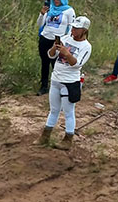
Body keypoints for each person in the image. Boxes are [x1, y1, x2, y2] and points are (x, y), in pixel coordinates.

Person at [34, 16, 92, 150]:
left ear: (84, 30)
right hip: (56, 78)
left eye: (77, 29)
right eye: (73, 27)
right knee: (53, 110)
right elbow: (51, 55)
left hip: (70, 82)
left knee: (68, 111)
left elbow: (77, 64)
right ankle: (45, 136)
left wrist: (66, 53)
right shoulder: (66, 38)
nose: (73, 30)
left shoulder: (86, 46)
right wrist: (55, 48)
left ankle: (68, 139)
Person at [36, 0, 75, 95]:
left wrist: (67, 41)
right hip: (45, 37)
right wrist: (42, 14)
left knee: (57, 64)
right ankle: (44, 86)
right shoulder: (50, 9)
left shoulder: (69, 11)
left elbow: (71, 26)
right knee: (44, 63)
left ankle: (59, 86)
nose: (56, 0)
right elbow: (40, 24)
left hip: (58, 40)